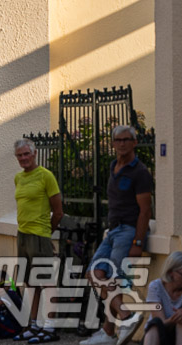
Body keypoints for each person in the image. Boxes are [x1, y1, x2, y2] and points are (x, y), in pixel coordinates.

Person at [81, 125, 153, 345]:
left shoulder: (140, 172)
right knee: (94, 274)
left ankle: (114, 327)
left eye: (126, 139)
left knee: (111, 278)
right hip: (112, 231)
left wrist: (138, 242)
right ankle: (120, 320)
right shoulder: (114, 166)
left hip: (128, 230)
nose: (122, 143)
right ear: (113, 144)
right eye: (118, 140)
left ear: (135, 142)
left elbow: (145, 210)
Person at [11, 138, 64, 344]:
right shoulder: (18, 178)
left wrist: (46, 234)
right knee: (30, 283)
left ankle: (50, 327)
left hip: (40, 234)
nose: (23, 158)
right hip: (22, 234)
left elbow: (58, 211)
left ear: (34, 154)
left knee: (47, 282)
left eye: (26, 154)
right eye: (20, 155)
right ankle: (33, 325)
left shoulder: (46, 176)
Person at [142, 251, 182, 345]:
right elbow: (161, 323)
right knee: (155, 323)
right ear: (171, 272)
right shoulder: (155, 287)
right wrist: (175, 318)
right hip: (158, 335)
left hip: (177, 335)